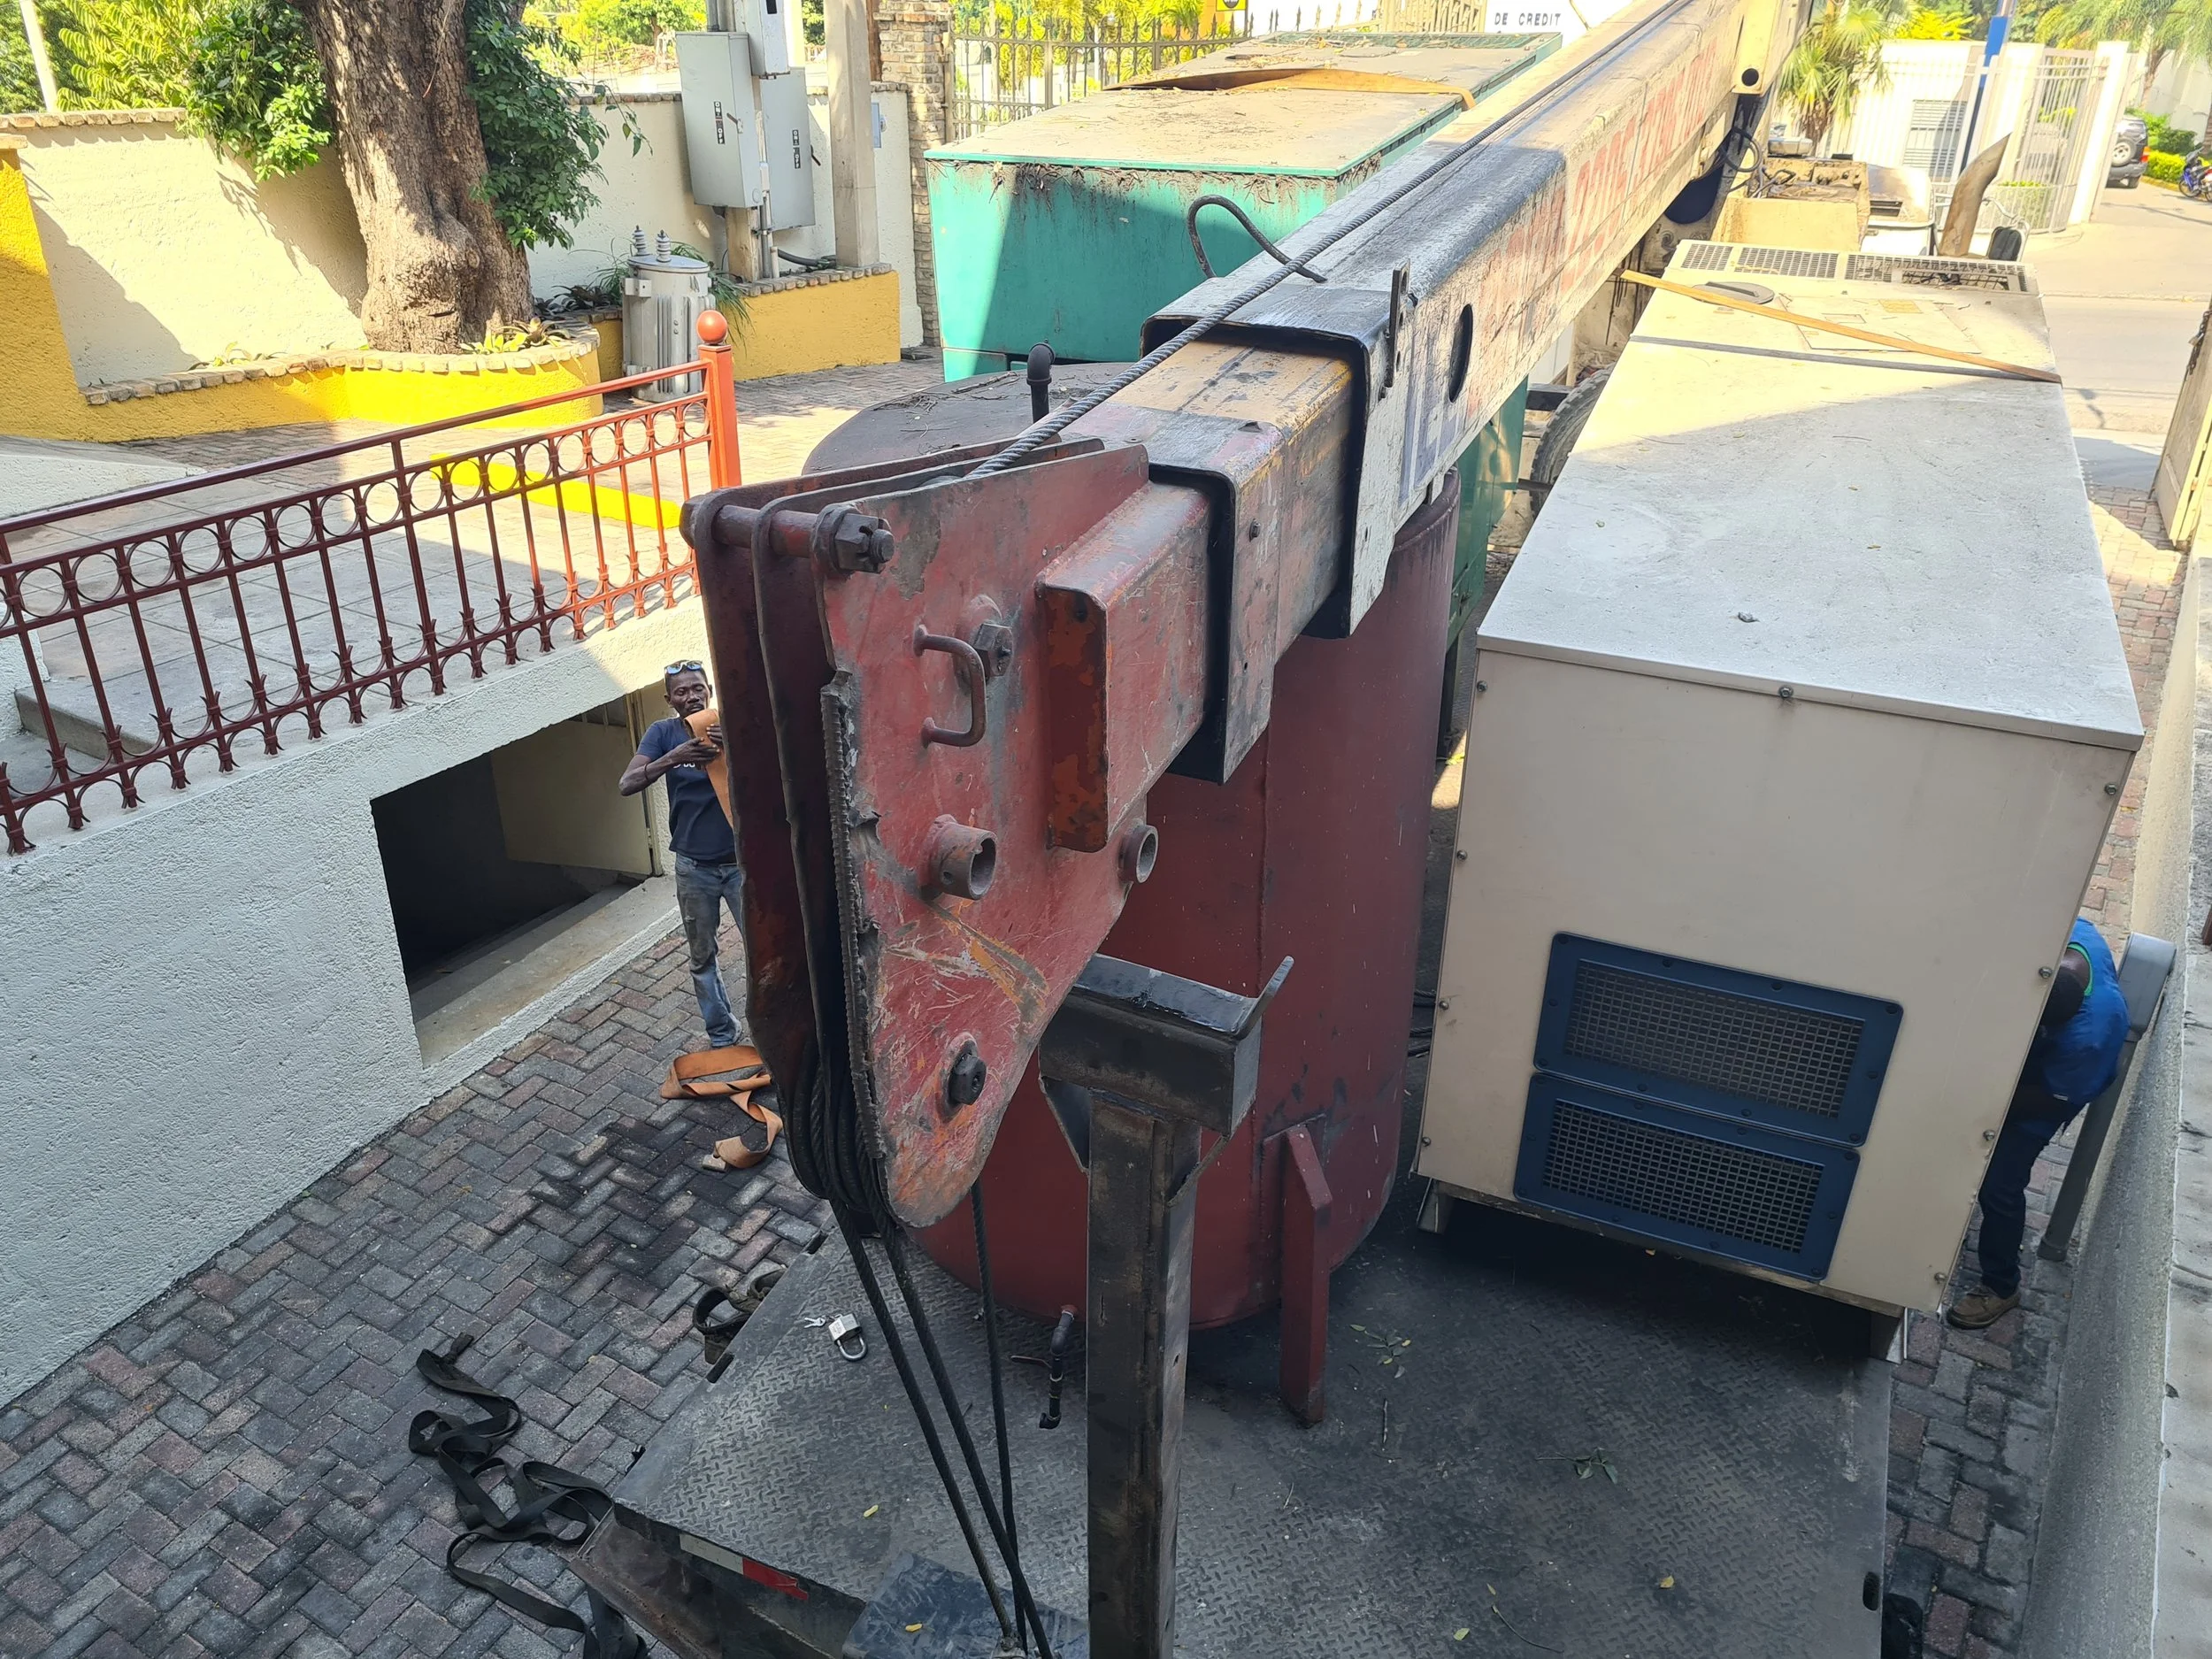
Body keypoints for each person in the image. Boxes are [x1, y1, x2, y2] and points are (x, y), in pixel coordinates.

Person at [1947, 918, 2128, 1329]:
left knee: (2000, 1183)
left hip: (2050, 1093)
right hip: (2043, 1055)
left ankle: (2001, 1286)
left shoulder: (2089, 1039)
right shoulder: (2069, 930)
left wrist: (1978, 1099)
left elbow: (2048, 1099)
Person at [621, 661, 747, 1048]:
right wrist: (673, 757)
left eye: (697, 688)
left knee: (763, 953)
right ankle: (723, 1035)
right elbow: (627, 784)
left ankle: (773, 1030)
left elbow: (774, 772)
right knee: (702, 957)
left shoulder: (730, 724)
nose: (691, 697)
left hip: (742, 864)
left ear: (709, 688)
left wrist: (739, 745)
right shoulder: (662, 734)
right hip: (694, 868)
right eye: (681, 692)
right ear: (669, 700)